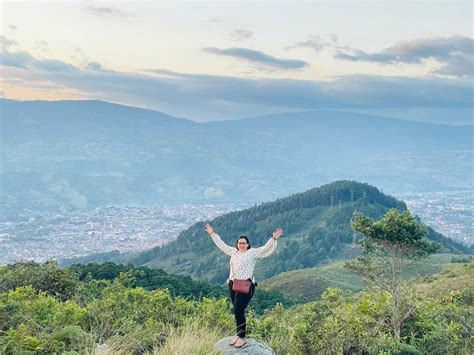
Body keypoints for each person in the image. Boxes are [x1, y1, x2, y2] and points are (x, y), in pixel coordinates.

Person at [204, 222, 283, 349]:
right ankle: (238, 334)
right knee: (237, 312)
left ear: (247, 244)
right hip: (233, 284)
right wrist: (212, 234)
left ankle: (242, 337)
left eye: (244, 243)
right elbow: (221, 245)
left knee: (238, 311)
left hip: (246, 285)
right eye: (239, 243)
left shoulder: (252, 253)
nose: (241, 245)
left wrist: (273, 239)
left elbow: (265, 249)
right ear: (237, 244)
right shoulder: (233, 252)